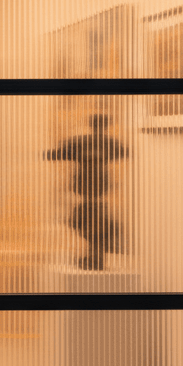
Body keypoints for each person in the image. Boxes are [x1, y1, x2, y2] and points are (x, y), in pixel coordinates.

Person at [45, 113, 128, 271]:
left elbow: (54, 154)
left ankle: (94, 255)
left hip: (90, 189)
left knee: (88, 221)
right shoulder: (107, 143)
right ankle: (94, 254)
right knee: (85, 220)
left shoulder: (85, 142)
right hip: (92, 190)